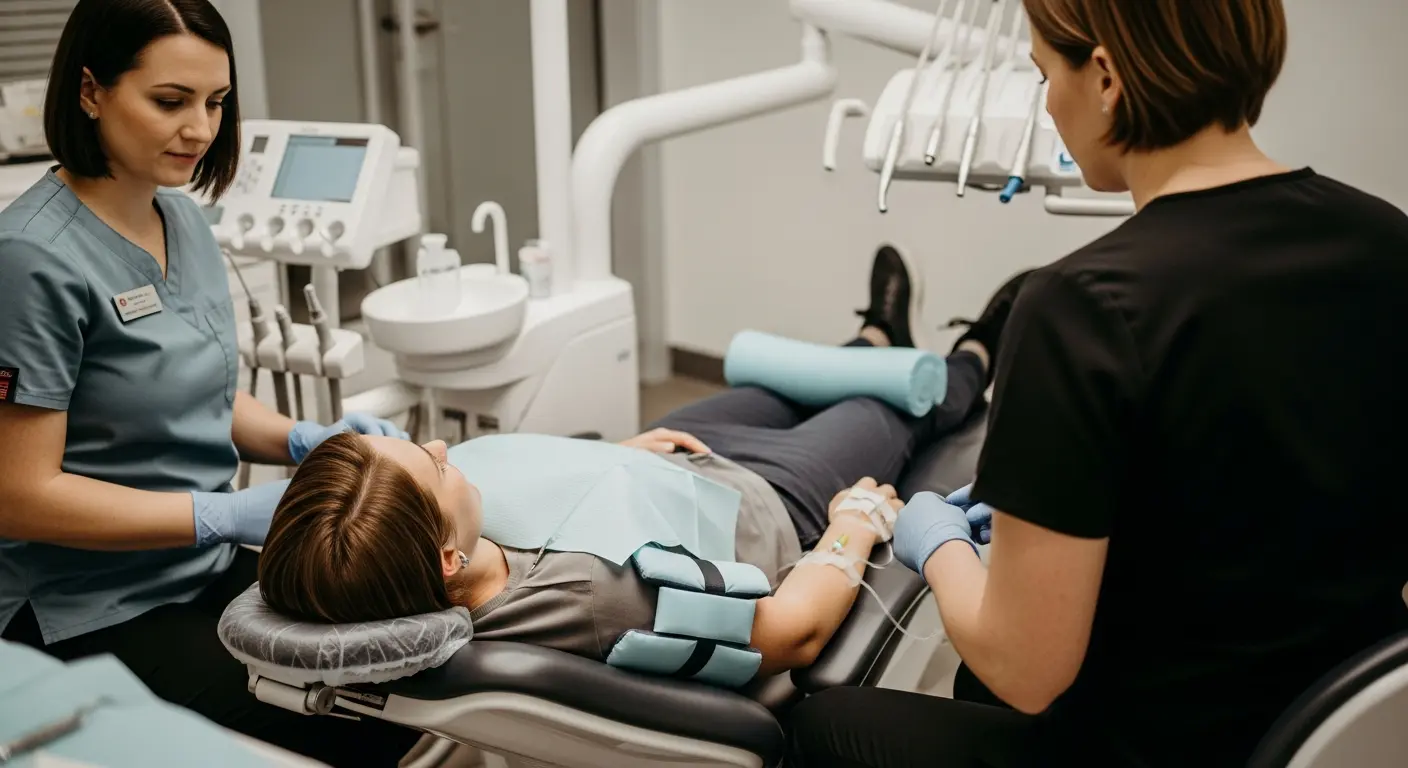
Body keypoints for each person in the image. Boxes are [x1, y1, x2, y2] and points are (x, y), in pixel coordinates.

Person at [786, 1, 1408, 767]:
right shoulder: (1388, 239)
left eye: (1046, 73)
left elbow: (1026, 672)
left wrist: (936, 541)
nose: (1048, 101)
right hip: (1341, 727)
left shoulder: (1081, 305)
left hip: (1170, 747)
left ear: (1106, 76)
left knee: (826, 727)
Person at [255, 246, 1017, 678]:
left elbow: (526, 494)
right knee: (892, 406)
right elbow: (790, 631)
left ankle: (878, 336)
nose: (442, 446)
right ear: (447, 561)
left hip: (662, 467)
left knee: (774, 382)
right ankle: (978, 349)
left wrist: (610, 465)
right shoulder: (597, 596)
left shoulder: (445, 556)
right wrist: (849, 526)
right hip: (770, 501)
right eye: (429, 465)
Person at [0, 2, 413, 766]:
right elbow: (20, 493)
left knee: (393, 675)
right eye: (170, 102)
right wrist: (220, 515)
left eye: (216, 102)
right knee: (349, 728)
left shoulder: (182, 218)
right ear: (91, 91)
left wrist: (300, 439)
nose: (201, 129)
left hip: (201, 567)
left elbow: (206, 393)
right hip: (91, 606)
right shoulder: (30, 260)